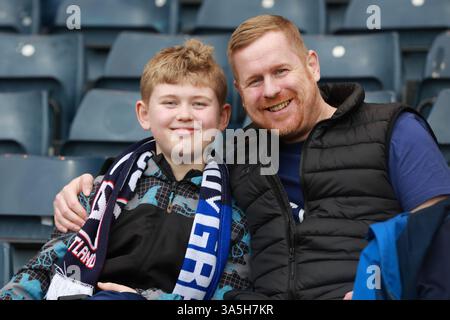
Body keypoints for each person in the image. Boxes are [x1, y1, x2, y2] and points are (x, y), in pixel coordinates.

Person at [51, 15, 450, 300]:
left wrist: (377, 291)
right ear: (240, 94)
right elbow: (165, 149)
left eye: (281, 71)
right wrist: (86, 183)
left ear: (311, 66)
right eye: (255, 81)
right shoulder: (240, 149)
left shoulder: (389, 128)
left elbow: (436, 229)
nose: (271, 90)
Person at [0, 39, 251, 300]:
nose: (185, 115)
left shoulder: (235, 211)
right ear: (144, 114)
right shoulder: (102, 192)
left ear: (223, 117)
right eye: (170, 103)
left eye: (199, 104)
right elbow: (43, 268)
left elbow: (231, 299)